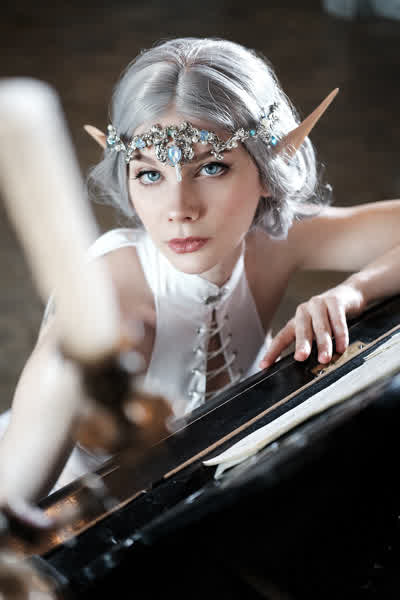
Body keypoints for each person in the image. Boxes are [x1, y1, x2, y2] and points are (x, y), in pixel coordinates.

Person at [1, 36, 400, 505]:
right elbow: (11, 507)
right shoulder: (112, 306)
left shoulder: (270, 243)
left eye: (211, 168)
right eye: (150, 174)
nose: (179, 209)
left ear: (270, 166)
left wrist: (353, 291)